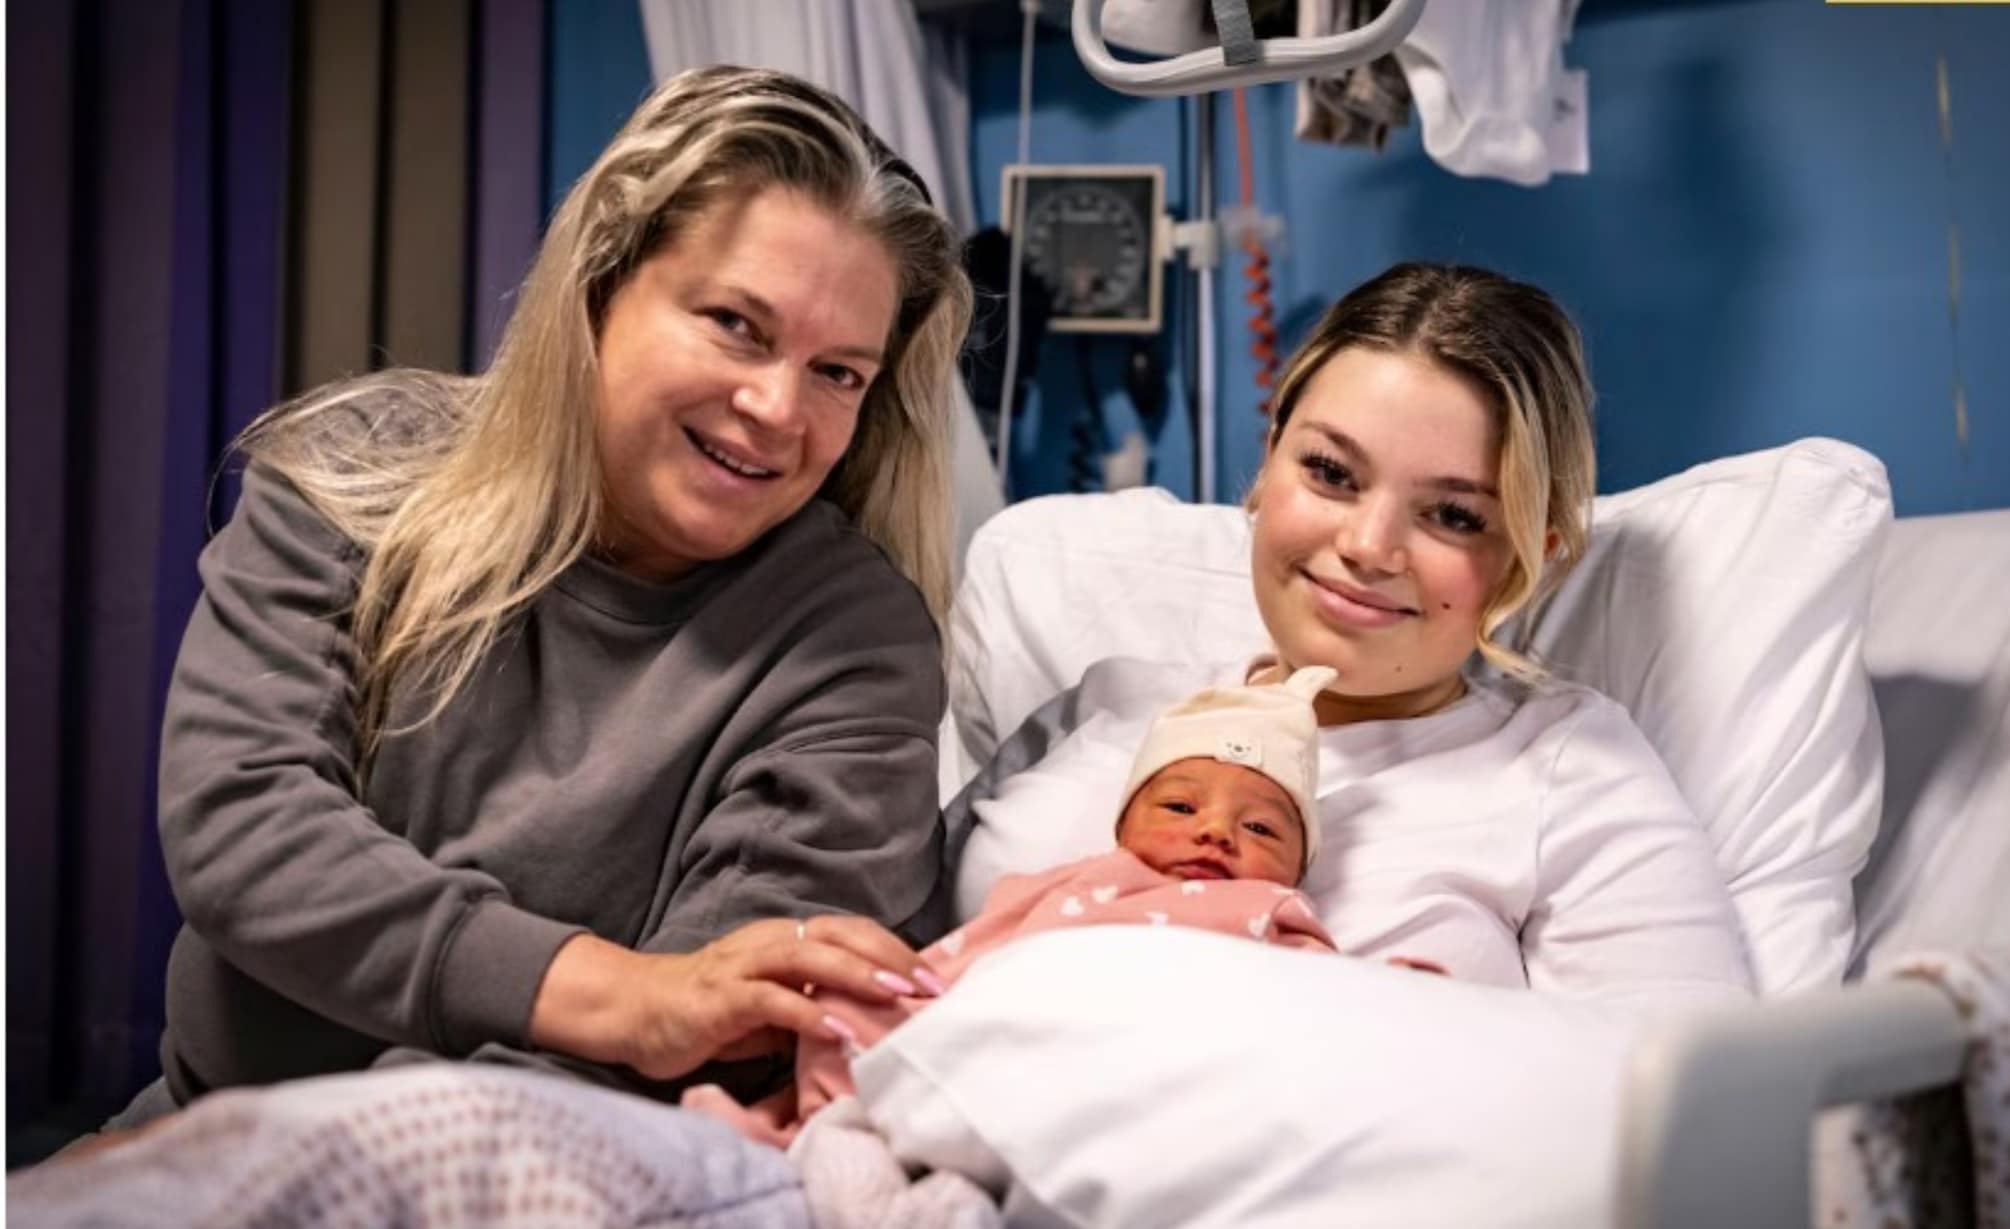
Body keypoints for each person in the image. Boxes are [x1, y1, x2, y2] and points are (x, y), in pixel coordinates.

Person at [112, 65, 976, 1130]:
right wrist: (624, 993)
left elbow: (716, 1028)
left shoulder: (853, 642)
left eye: (838, 372)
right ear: (600, 288)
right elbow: (247, 827)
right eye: (735, 324)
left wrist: (332, 1167)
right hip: (204, 1130)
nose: (775, 407)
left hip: (525, 1163)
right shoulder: (360, 475)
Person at [951, 261, 1756, 1012]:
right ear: (1271, 459)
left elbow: (1687, 1104)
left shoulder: (1569, 774)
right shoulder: (1108, 702)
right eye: (1332, 472)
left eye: (1454, 515)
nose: (1369, 546)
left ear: (1530, 558)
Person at [686, 664, 1347, 1147]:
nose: (1215, 832)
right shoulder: (1073, 880)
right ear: (1125, 823)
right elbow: (977, 950)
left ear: (1296, 866)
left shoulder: (1270, 909)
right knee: (849, 997)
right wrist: (913, 997)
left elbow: (1341, 1007)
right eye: (1178, 806)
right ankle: (847, 1139)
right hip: (1005, 1031)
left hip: (1140, 1066)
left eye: (1261, 829)